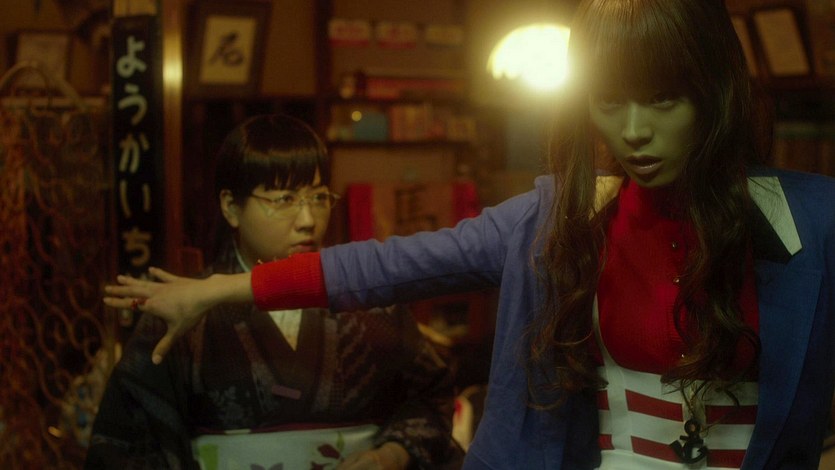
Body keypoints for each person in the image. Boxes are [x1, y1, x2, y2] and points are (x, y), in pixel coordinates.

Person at [104, 1, 835, 468]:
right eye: (610, 102)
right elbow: (393, 265)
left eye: (664, 100)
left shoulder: (811, 219)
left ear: (714, 91)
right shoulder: (563, 218)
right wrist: (222, 290)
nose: (634, 131)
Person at [88, 114, 464, 469]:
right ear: (231, 207)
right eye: (284, 200)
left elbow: (431, 396)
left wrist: (391, 455)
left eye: (319, 198)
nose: (308, 220)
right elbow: (128, 444)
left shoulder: (370, 305)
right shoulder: (187, 313)